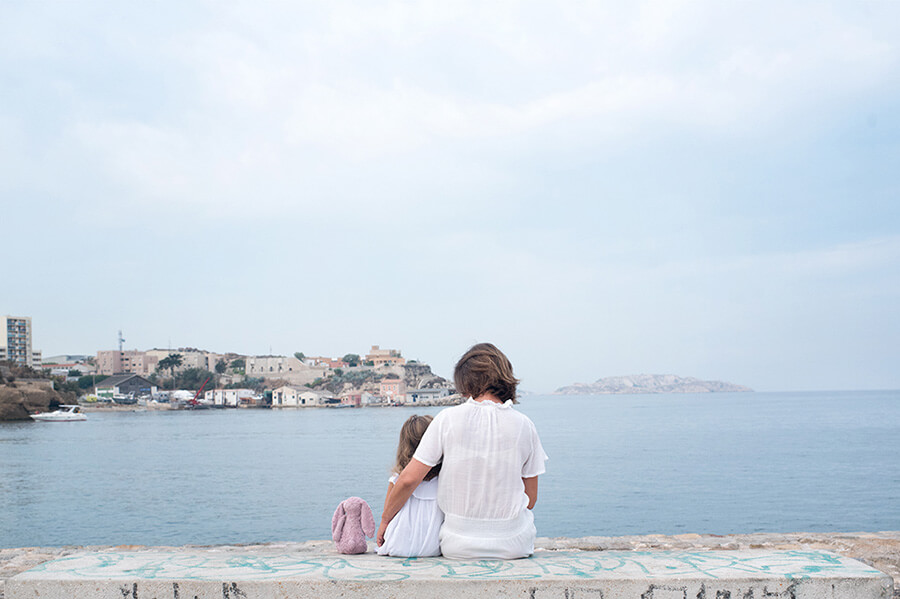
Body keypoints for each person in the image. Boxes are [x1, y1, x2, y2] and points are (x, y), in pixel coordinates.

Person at [377, 343, 548, 559]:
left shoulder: (447, 419)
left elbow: (408, 480)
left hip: (458, 545)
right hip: (515, 545)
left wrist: (385, 520)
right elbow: (530, 499)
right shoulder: (525, 425)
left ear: (465, 381)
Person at [376, 414, 444, 557]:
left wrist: (383, 522)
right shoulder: (444, 480)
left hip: (397, 546)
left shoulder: (396, 480)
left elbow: (389, 510)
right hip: (434, 548)